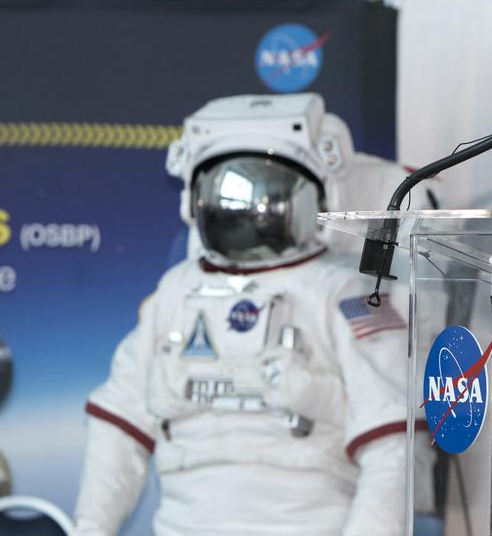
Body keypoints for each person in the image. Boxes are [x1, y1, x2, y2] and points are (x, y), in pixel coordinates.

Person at [74, 93, 432, 536]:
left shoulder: (350, 294)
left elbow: (392, 439)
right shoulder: (176, 292)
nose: (248, 214)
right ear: (194, 202)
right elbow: (120, 425)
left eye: (271, 192)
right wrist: (90, 526)